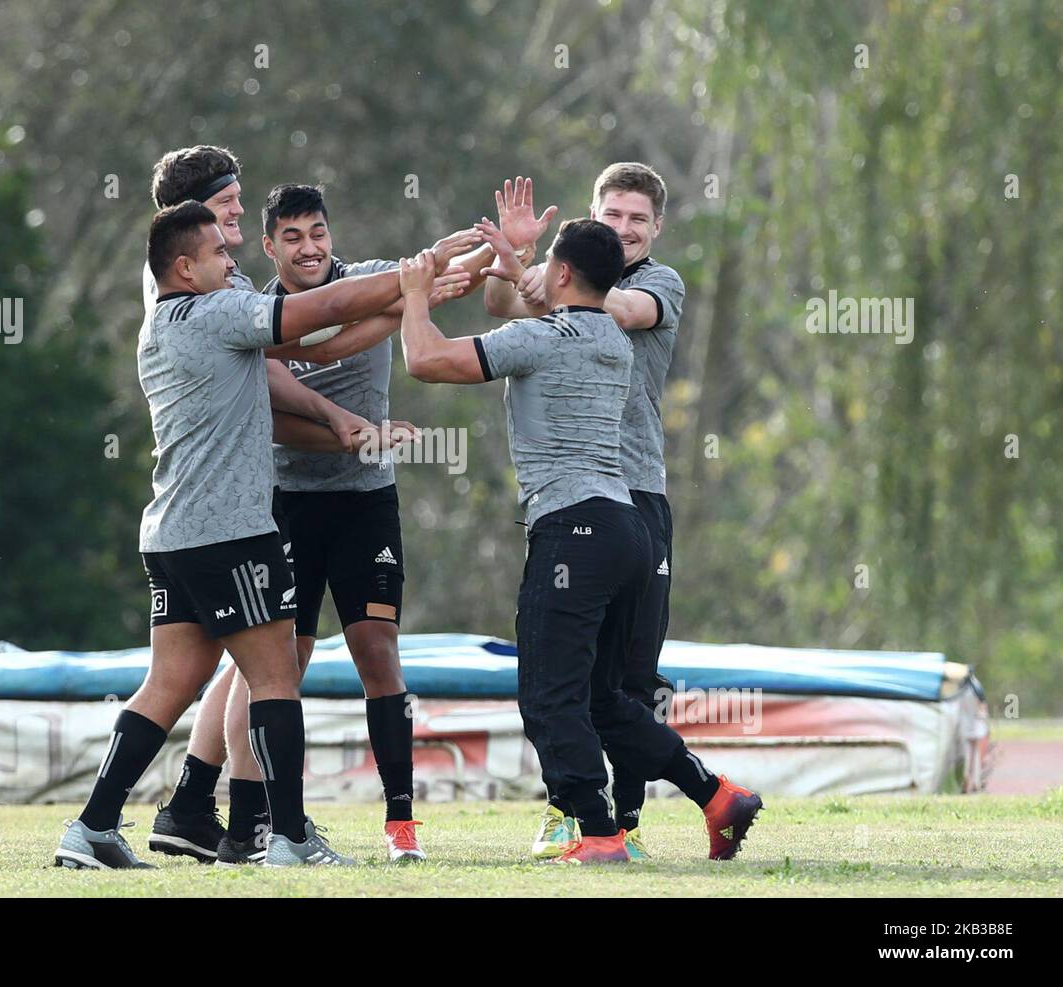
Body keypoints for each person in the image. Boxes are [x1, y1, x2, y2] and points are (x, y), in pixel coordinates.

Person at [55, 201, 451, 868]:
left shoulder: (162, 324)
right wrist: (419, 277)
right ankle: (289, 837)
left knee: (171, 681)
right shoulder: (219, 313)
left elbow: (318, 341)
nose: (232, 262)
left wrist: (417, 293)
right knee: (275, 678)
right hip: (230, 534)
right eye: (218, 252)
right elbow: (318, 313)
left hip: (169, 533)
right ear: (185, 267)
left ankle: (91, 827)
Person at [400, 215, 762, 863]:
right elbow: (561, 308)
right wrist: (521, 266)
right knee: (604, 699)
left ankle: (596, 831)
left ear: (561, 273)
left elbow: (425, 360)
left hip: (573, 528)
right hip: (628, 528)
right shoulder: (614, 341)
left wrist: (414, 295)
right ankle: (716, 795)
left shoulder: (534, 339)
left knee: (547, 694)